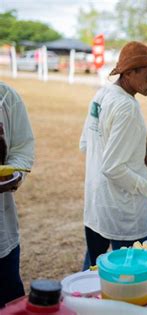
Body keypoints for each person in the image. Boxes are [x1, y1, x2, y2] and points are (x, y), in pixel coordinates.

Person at [80, 41, 147, 269]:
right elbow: (112, 167)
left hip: (96, 204)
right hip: (123, 211)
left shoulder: (102, 94)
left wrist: (138, 154)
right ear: (129, 73)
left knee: (92, 274)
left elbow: (86, 144)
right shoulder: (126, 107)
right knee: (133, 276)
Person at [0, 82, 35, 307]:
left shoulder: (6, 97)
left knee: (11, 304)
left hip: (2, 236)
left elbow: (22, 149)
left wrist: (13, 173)